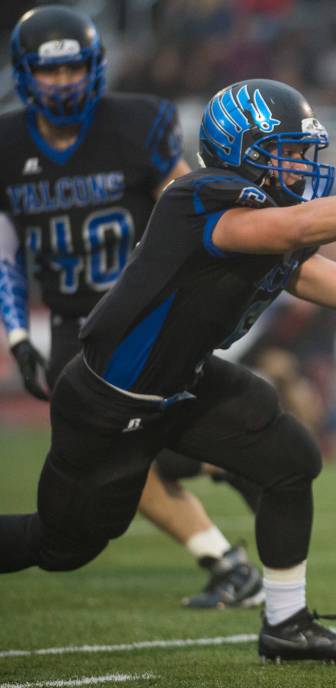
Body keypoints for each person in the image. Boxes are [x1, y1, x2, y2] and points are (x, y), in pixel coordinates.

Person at [0, 75, 336, 663]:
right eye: (290, 151)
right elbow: (288, 230)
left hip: (184, 383)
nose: (302, 165)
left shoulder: (274, 211)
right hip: (112, 399)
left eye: (305, 152)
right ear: (236, 147)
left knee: (289, 460)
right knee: (65, 544)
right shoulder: (197, 196)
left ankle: (286, 623)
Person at [0, 4, 263, 609]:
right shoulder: (8, 144)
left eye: (74, 70)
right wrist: (18, 334)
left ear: (94, 69)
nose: (64, 83)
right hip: (75, 325)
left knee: (119, 456)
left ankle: (226, 549)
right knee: (122, 455)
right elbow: (8, 249)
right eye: (49, 71)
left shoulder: (137, 123)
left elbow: (186, 202)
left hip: (143, 314)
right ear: (24, 74)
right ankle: (227, 511)